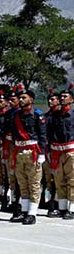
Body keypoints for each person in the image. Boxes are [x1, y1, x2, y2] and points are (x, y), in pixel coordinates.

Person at [9, 85, 45, 224]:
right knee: (22, 182)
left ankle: (32, 213)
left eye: (24, 98)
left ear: (31, 99)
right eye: (20, 98)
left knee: (34, 183)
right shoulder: (16, 115)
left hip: (33, 152)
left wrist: (42, 154)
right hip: (19, 152)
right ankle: (24, 211)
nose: (21, 100)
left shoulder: (37, 115)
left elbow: (42, 136)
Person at [50, 83, 74, 220]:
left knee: (72, 180)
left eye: (65, 96)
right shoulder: (55, 116)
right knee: (59, 180)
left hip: (71, 150)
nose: (62, 98)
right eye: (61, 97)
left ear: (72, 100)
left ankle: (71, 208)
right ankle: (62, 207)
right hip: (57, 151)